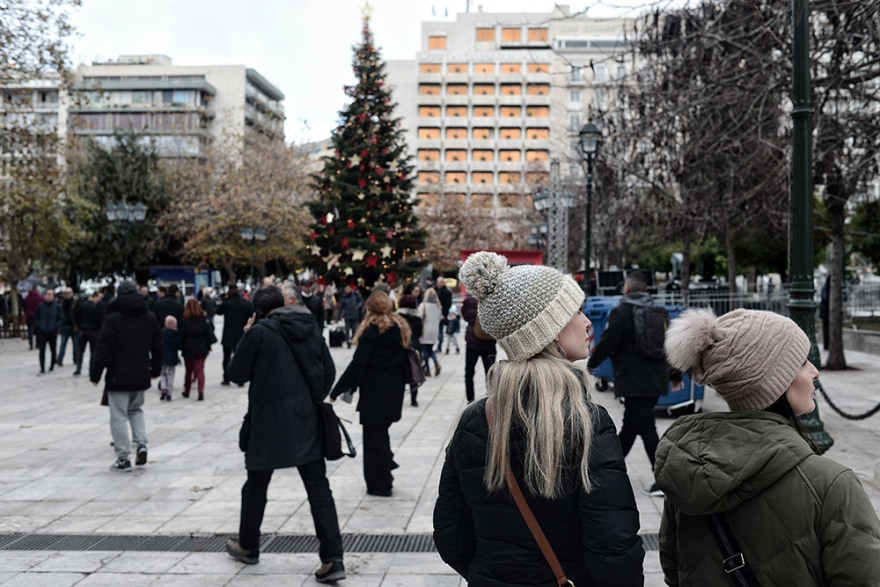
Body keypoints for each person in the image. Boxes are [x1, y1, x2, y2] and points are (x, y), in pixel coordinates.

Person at [434, 251, 644, 586]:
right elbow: (614, 549)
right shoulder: (586, 420)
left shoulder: (476, 420)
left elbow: (449, 534)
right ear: (550, 331)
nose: (587, 321)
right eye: (575, 311)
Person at [656, 308, 880, 585]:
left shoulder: (685, 472)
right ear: (772, 381)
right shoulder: (832, 486)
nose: (815, 372)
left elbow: (674, 571)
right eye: (802, 362)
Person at [226, 286, 345, 582]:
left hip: (267, 422)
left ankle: (249, 545)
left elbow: (236, 374)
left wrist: (246, 333)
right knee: (318, 489)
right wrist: (310, 397)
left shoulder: (259, 332)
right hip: (306, 419)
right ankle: (333, 559)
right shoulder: (309, 326)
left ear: (259, 310)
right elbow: (329, 371)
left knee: (256, 484)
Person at [586, 270, 682, 496]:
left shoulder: (622, 311)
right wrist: (674, 375)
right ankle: (607, 471)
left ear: (626, 288)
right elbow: (670, 345)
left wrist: (592, 364)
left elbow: (608, 342)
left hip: (632, 380)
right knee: (632, 426)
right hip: (655, 380)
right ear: (646, 289)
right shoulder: (660, 311)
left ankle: (664, 480)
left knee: (645, 427)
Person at [330, 291, 410, 497]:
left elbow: (356, 366)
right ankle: (385, 471)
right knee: (380, 435)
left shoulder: (371, 332)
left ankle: (380, 484)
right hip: (394, 392)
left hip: (374, 394)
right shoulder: (399, 328)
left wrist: (335, 392)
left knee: (374, 440)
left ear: (369, 308)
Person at [90, 280, 163, 472]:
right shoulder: (149, 317)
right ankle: (141, 444)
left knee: (119, 415)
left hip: (118, 374)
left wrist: (95, 374)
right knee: (136, 410)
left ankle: (123, 458)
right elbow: (157, 346)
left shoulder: (113, 319)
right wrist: (155, 370)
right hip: (140, 373)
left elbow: (103, 349)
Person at [216, 285, 254, 386]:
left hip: (228, 333)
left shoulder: (226, 304)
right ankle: (240, 379)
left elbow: (218, 311)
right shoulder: (245, 303)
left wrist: (224, 299)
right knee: (240, 356)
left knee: (226, 357)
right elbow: (252, 314)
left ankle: (226, 378)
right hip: (241, 334)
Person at [461, 291, 496, 403]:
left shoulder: (469, 301)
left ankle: (470, 399)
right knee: (490, 373)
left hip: (473, 343)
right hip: (489, 343)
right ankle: (490, 398)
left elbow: (465, 317)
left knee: (469, 372)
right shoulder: (493, 300)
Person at [179, 298, 215, 401]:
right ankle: (200, 391)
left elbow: (181, 335)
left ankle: (187, 390)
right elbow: (209, 333)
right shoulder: (203, 319)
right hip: (201, 346)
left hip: (188, 347)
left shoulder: (184, 320)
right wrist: (209, 346)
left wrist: (181, 347)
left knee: (188, 370)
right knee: (200, 370)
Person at [397, 294, 423, 407]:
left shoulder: (397, 318)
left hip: (401, 346)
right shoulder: (417, 318)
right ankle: (414, 399)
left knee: (400, 374)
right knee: (414, 372)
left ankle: (399, 398)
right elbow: (419, 333)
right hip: (415, 346)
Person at [73, 291, 103, 376]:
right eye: (99, 297)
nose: (100, 299)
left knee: (80, 350)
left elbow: (75, 315)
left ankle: (78, 368)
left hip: (83, 330)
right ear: (95, 296)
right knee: (93, 352)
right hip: (94, 331)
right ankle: (91, 370)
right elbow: (100, 319)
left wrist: (79, 326)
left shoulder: (83, 305)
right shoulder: (97, 306)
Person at [34, 289, 63, 375]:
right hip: (42, 331)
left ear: (53, 296)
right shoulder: (40, 306)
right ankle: (42, 368)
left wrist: (56, 326)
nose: (49, 296)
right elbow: (36, 317)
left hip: (52, 331)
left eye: (51, 294)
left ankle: (51, 366)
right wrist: (39, 325)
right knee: (41, 351)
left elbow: (61, 318)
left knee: (53, 350)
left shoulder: (57, 306)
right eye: (47, 294)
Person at [419, 287, 442, 376]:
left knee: (424, 349)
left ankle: (427, 369)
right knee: (430, 349)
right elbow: (439, 319)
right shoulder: (438, 306)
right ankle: (436, 362)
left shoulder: (423, 305)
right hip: (434, 331)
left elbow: (419, 317)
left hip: (425, 331)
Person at [160, 315, 181, 401]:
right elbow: (179, 345)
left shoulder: (162, 332)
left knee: (163, 373)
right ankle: (169, 392)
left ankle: (163, 388)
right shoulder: (176, 334)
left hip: (163, 356)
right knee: (171, 374)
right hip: (172, 356)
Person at [57, 287, 79, 368]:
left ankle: (76, 359)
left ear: (72, 293)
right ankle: (60, 359)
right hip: (65, 326)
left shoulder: (76, 302)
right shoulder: (62, 303)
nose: (67, 294)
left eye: (69, 293)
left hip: (74, 327)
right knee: (63, 344)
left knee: (76, 345)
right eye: (66, 293)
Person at [335, 284, 363, 348]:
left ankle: (354, 340)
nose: (347, 290)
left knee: (354, 329)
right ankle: (348, 342)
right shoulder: (343, 297)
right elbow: (340, 308)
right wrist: (337, 317)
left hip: (355, 315)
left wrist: (358, 306)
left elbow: (361, 301)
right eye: (346, 289)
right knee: (347, 329)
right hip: (347, 315)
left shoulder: (355, 294)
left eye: (348, 289)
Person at [23, 286, 44, 350]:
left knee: (30, 331)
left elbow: (24, 307)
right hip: (38, 316)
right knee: (38, 331)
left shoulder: (27, 298)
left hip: (30, 316)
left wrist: (27, 312)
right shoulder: (40, 297)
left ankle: (31, 344)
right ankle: (38, 344)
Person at [435, 277, 452, 353]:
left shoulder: (447, 292)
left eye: (440, 282)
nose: (439, 284)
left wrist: (444, 315)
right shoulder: (434, 290)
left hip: (442, 315)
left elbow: (448, 305)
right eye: (438, 282)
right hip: (434, 314)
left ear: (443, 283)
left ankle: (439, 347)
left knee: (440, 331)